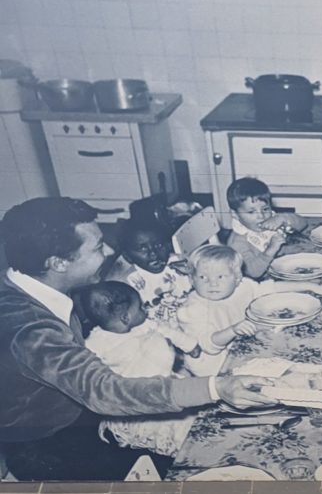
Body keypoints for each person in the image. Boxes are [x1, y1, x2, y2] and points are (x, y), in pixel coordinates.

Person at [0, 197, 275, 481]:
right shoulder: (29, 329)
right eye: (98, 247)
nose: (109, 252)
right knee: (208, 462)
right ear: (58, 263)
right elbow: (104, 390)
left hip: (86, 411)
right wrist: (214, 388)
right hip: (53, 443)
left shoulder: (38, 286)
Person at [78, 281, 197, 458]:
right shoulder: (95, 344)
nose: (145, 310)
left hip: (164, 382)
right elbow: (87, 372)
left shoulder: (144, 325)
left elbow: (169, 332)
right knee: (174, 429)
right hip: (135, 399)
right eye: (141, 307)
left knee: (194, 409)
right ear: (126, 318)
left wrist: (190, 345)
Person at [177, 244, 322, 376]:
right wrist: (233, 330)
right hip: (214, 367)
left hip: (239, 344)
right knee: (285, 369)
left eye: (220, 277)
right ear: (191, 279)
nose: (212, 283)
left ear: (237, 277)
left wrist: (309, 286)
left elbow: (269, 288)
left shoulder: (242, 287)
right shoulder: (192, 310)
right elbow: (206, 345)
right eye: (203, 277)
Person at [105, 217, 192, 328]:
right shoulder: (128, 283)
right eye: (142, 249)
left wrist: (192, 272)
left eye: (159, 245)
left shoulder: (180, 262)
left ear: (168, 246)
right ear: (128, 257)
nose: (153, 253)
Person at [225, 177, 308, 279]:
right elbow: (252, 272)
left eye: (265, 209)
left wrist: (283, 218)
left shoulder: (273, 220)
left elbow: (303, 223)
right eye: (251, 212)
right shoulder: (237, 242)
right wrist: (271, 250)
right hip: (263, 281)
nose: (261, 216)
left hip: (285, 266)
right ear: (235, 214)